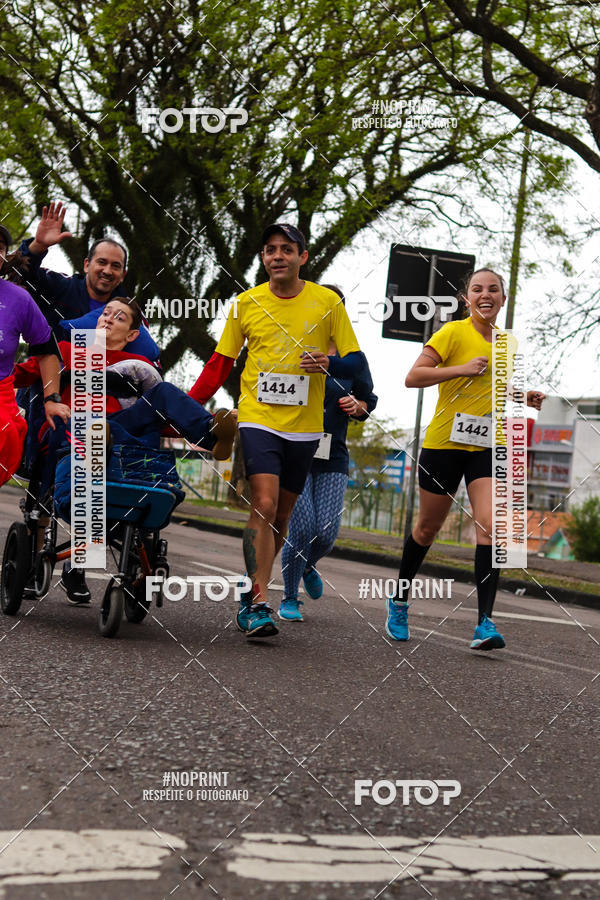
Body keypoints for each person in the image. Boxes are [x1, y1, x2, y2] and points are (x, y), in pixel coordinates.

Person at [189, 224, 364, 638]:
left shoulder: (326, 302)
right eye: (270, 250)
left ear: (303, 257)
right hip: (258, 419)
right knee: (264, 504)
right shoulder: (245, 303)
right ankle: (257, 600)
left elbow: (356, 362)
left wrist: (330, 364)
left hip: (305, 428)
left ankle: (255, 588)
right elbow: (220, 363)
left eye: (287, 249)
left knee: (282, 515)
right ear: (263, 259)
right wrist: (187, 405)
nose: (278, 256)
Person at [14, 297, 236, 605]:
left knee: (165, 394)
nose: (107, 319)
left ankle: (212, 436)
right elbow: (19, 373)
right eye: (105, 313)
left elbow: (160, 419)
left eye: (118, 318)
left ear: (132, 334)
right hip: (70, 429)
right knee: (93, 424)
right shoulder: (65, 351)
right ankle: (98, 447)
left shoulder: (139, 366)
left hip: (119, 435)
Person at [385, 268, 545, 651]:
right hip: (444, 444)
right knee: (427, 528)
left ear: (503, 300)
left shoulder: (509, 343)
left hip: (487, 446)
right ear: (466, 298)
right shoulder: (452, 333)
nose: (485, 294)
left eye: (493, 290)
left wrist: (525, 398)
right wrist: (460, 368)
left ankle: (485, 623)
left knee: (490, 525)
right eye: (477, 289)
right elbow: (413, 377)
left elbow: (498, 390)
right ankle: (400, 600)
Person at [279, 286, 377, 621]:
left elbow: (368, 401)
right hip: (294, 447)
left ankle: (305, 565)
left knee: (327, 533)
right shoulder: (294, 347)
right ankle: (290, 597)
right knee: (303, 527)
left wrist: (358, 406)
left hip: (333, 454)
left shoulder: (353, 359)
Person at [16, 201, 159, 360]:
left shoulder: (129, 312)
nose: (107, 271)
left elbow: (148, 355)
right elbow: (19, 276)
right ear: (86, 265)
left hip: (103, 381)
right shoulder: (61, 286)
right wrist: (37, 246)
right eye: (102, 262)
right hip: (46, 377)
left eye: (115, 266)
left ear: (123, 275)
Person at [0, 258, 70, 488]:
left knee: (7, 433)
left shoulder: (18, 298)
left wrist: (52, 399)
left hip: (2, 393)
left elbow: (47, 350)